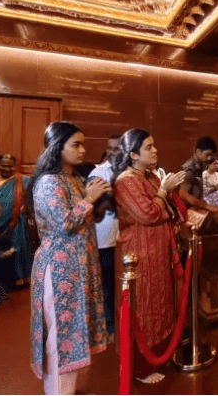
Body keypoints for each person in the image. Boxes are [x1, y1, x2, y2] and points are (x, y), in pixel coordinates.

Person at [28, 121, 111, 395]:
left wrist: (98, 202)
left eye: (82, 143)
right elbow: (64, 224)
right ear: (57, 148)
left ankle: (67, 391)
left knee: (73, 334)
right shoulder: (48, 182)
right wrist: (89, 198)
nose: (82, 150)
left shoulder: (74, 179)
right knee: (61, 338)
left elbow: (83, 219)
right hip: (59, 271)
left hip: (78, 269)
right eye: (76, 144)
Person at [113, 129, 186, 384]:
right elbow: (148, 213)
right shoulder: (125, 181)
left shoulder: (150, 177)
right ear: (133, 154)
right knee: (143, 307)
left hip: (157, 254)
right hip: (139, 257)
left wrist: (169, 191)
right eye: (148, 147)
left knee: (160, 303)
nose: (155, 151)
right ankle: (140, 367)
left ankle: (159, 355)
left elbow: (167, 209)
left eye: (154, 145)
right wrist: (164, 191)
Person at [87, 135, 121, 337]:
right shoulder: (98, 173)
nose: (113, 153)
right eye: (110, 149)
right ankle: (109, 326)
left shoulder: (129, 171)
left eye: (118, 149)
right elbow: (92, 206)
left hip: (125, 238)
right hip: (104, 240)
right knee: (107, 284)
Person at [0, 154, 32, 288]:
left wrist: (26, 207)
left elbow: (34, 196)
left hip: (16, 222)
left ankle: (19, 278)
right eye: (4, 166)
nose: (7, 169)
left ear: (15, 166)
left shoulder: (22, 180)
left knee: (18, 248)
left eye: (10, 166)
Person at [179, 136, 218, 212]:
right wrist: (206, 206)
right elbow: (183, 194)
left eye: (211, 155)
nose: (209, 158)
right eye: (207, 155)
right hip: (188, 211)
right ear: (198, 152)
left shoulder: (202, 165)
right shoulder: (189, 168)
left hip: (197, 209)